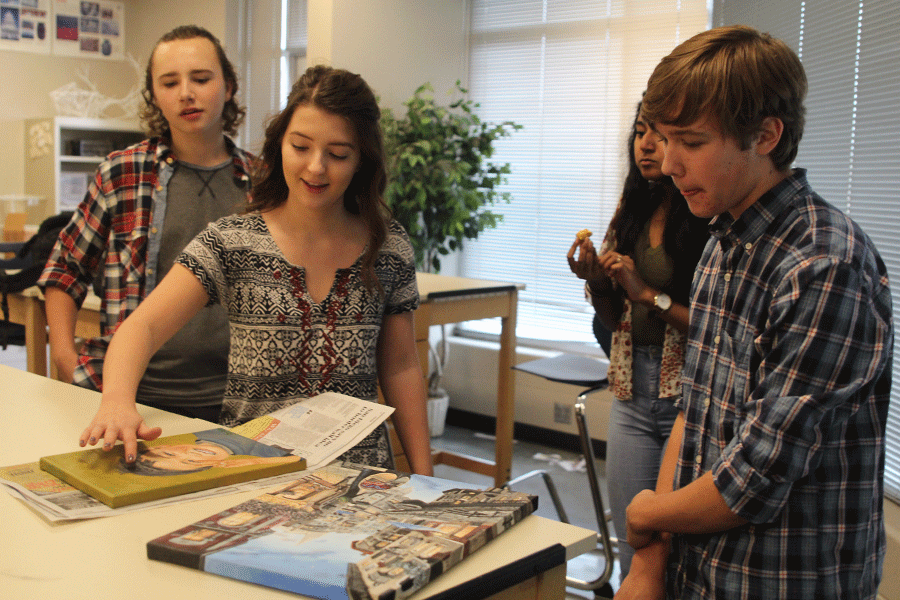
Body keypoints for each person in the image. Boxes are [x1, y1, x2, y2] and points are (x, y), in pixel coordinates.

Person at [616, 26, 892, 600]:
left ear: (766, 135)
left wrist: (648, 515)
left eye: (690, 141)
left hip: (783, 581)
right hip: (703, 574)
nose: (668, 163)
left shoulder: (824, 266)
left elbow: (753, 480)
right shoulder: (723, 241)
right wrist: (651, 561)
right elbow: (694, 415)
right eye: (664, 139)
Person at [77, 65, 434, 477]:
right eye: (300, 147)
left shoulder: (387, 247)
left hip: (361, 479)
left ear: (361, 161)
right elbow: (143, 328)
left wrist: (424, 478)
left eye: (338, 155)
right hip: (255, 473)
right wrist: (118, 401)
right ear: (279, 144)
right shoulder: (233, 241)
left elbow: (401, 366)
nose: (316, 167)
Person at [39, 25, 254, 423]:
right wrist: (66, 360)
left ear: (228, 85)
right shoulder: (123, 173)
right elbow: (65, 268)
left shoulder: (265, 183)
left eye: (201, 79)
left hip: (240, 399)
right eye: (170, 83)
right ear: (154, 95)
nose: (186, 93)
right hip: (133, 398)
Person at [567, 102, 709, 579]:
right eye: (640, 132)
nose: (646, 144)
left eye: (660, 135)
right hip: (631, 390)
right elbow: (612, 321)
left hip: (684, 393)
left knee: (675, 554)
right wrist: (600, 281)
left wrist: (648, 294)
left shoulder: (703, 215)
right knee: (633, 541)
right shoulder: (630, 211)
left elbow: (713, 327)